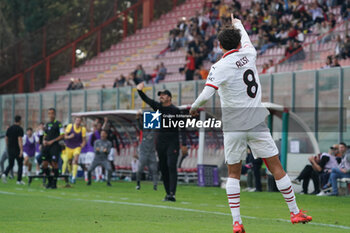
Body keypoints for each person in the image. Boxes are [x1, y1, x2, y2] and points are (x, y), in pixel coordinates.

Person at [189, 14, 312, 232]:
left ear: (219, 45)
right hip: (256, 121)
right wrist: (237, 23)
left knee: (234, 173)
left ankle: (237, 222)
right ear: (238, 41)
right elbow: (243, 33)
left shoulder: (219, 67)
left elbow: (207, 93)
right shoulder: (250, 53)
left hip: (233, 124)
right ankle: (294, 212)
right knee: (276, 167)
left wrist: (194, 106)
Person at [136, 82, 187, 202]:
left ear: (169, 97)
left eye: (163, 95)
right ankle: (167, 193)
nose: (161, 97)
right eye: (160, 95)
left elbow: (183, 128)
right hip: (160, 142)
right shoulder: (159, 108)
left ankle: (172, 194)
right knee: (163, 167)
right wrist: (139, 90)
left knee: (171, 165)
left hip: (173, 141)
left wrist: (184, 144)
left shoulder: (176, 111)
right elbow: (147, 100)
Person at [41, 108, 65, 189]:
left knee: (54, 163)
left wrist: (52, 141)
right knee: (44, 164)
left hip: (54, 146)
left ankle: (54, 183)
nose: (51, 115)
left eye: (52, 113)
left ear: (55, 114)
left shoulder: (58, 124)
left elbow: (62, 135)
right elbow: (45, 134)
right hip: (46, 146)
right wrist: (44, 140)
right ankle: (49, 181)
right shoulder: (47, 124)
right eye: (49, 113)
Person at [135, 110, 158, 191]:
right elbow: (139, 125)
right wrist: (138, 118)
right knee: (140, 169)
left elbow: (157, 121)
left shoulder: (154, 131)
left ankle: (155, 186)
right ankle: (138, 184)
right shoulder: (144, 129)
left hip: (151, 153)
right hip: (143, 153)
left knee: (154, 169)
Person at [1, 116, 24, 184]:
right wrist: (21, 150)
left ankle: (4, 174)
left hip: (10, 149)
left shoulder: (10, 128)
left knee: (11, 164)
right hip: (17, 149)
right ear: (19, 120)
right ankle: (19, 180)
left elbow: (6, 138)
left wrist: (8, 146)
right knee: (20, 164)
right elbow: (19, 139)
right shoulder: (20, 129)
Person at [64, 116, 87, 184]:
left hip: (77, 147)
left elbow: (84, 140)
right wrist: (69, 136)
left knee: (76, 160)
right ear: (75, 121)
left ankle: (74, 177)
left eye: (79, 120)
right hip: (69, 147)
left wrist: (82, 145)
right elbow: (65, 136)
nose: (78, 121)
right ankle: (71, 173)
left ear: (81, 122)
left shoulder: (83, 129)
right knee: (69, 161)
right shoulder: (70, 126)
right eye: (77, 120)